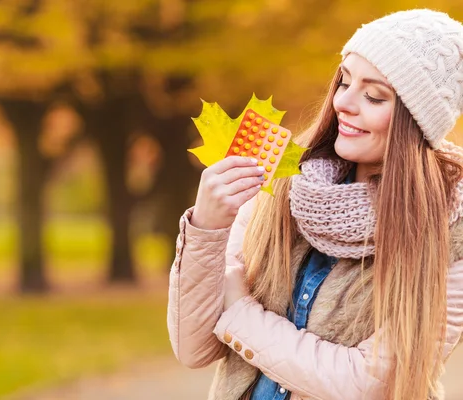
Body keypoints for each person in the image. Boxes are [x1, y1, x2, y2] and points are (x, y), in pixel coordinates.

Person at [167, 9, 463, 400]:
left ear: (418, 121)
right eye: (344, 81)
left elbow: (365, 384)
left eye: (373, 95)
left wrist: (238, 312)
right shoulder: (279, 183)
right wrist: (207, 227)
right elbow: (194, 348)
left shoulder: (450, 232)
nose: (344, 103)